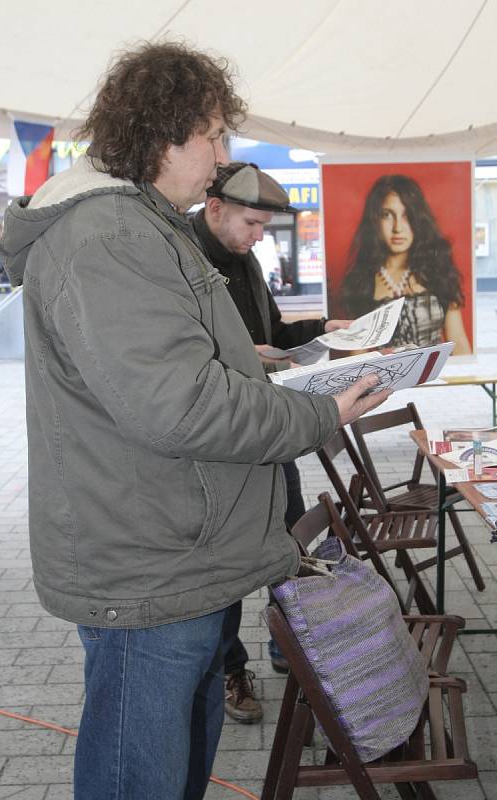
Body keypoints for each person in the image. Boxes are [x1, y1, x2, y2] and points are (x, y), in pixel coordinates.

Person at [0, 41, 390, 800]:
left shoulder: (136, 225)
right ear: (160, 133)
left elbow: (167, 371)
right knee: (139, 772)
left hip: (176, 544)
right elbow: (176, 407)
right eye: (212, 134)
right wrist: (317, 413)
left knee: (170, 754)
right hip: (150, 556)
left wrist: (268, 366)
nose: (220, 156)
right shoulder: (110, 235)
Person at [194, 161, 352, 722]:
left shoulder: (246, 258)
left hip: (268, 430)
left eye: (264, 226)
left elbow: (274, 336)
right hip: (218, 445)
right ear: (215, 209)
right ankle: (231, 669)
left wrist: (323, 330)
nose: (260, 237)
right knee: (230, 564)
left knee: (287, 537)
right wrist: (240, 358)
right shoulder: (180, 259)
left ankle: (288, 645)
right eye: (252, 224)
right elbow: (176, 367)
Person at [341, 174, 471, 355]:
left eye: (406, 215)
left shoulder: (438, 271)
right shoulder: (361, 281)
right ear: (375, 220)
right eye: (387, 215)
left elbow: (457, 341)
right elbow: (357, 354)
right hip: (385, 381)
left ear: (418, 219)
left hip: (436, 378)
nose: (397, 228)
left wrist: (462, 380)